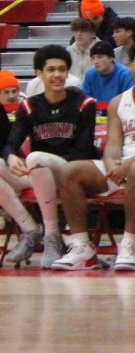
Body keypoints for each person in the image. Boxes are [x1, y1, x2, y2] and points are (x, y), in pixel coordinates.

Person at [53, 41, 135, 271]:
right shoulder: (118, 102)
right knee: (70, 171)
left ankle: (129, 245)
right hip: (123, 165)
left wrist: (127, 165)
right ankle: (82, 247)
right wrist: (112, 165)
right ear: (129, 65)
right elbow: (113, 145)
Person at [1, 45, 97, 268]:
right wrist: (11, 156)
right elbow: (11, 143)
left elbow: (82, 150)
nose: (57, 75)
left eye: (62, 69)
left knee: (35, 158)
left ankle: (52, 235)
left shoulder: (84, 104)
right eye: (51, 69)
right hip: (39, 174)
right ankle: (30, 229)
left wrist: (35, 161)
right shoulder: (29, 106)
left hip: (71, 172)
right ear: (39, 74)